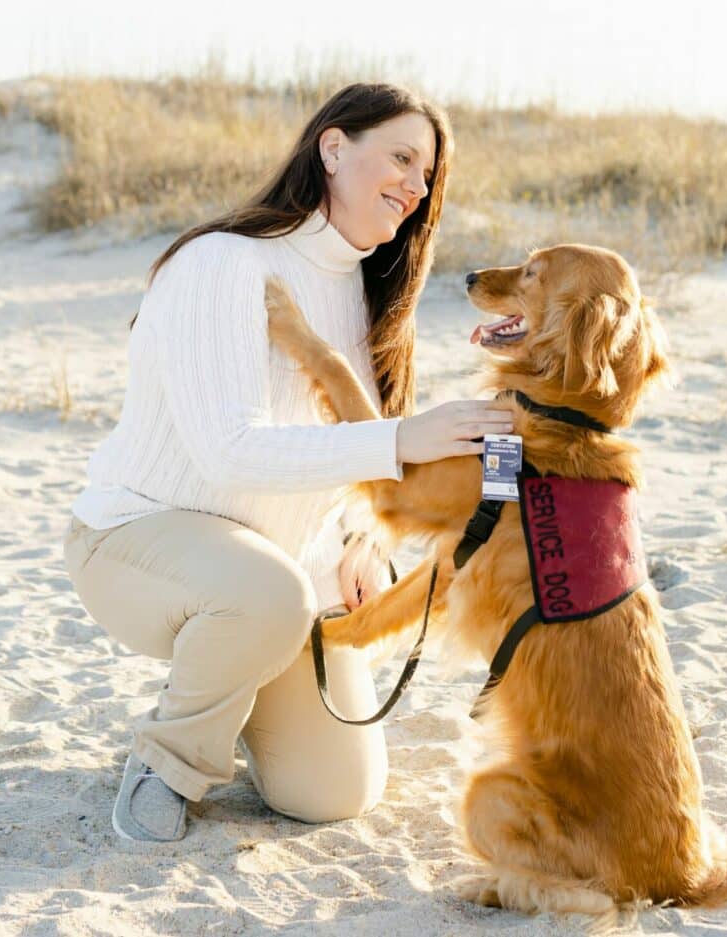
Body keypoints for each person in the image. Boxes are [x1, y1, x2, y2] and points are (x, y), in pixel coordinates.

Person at [62, 82, 513, 843]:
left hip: (274, 579)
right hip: (135, 540)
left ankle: (224, 684)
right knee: (265, 594)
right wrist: (405, 437)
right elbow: (229, 451)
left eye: (428, 174)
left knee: (334, 790)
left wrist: (361, 546)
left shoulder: (365, 298)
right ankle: (170, 760)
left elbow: (342, 472)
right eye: (401, 157)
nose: (416, 185)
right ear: (333, 147)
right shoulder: (224, 263)